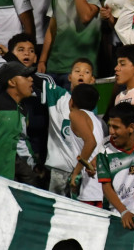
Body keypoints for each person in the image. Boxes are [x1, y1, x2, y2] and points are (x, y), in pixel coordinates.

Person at [39, 59, 96, 196]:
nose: (81, 74)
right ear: (70, 77)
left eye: (86, 72)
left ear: (92, 80)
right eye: (77, 71)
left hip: (83, 171)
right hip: (60, 169)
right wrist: (8, 56)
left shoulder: (93, 106)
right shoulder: (59, 96)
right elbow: (34, 79)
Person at [0, 62, 35, 179]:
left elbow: (21, 142)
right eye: (26, 76)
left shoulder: (23, 111)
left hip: (7, 178)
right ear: (12, 82)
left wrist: (31, 164)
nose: (31, 79)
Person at [66, 83, 105, 206]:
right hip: (102, 186)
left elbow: (91, 142)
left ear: (71, 101)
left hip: (90, 187)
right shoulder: (98, 121)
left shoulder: (75, 114)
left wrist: (76, 173)